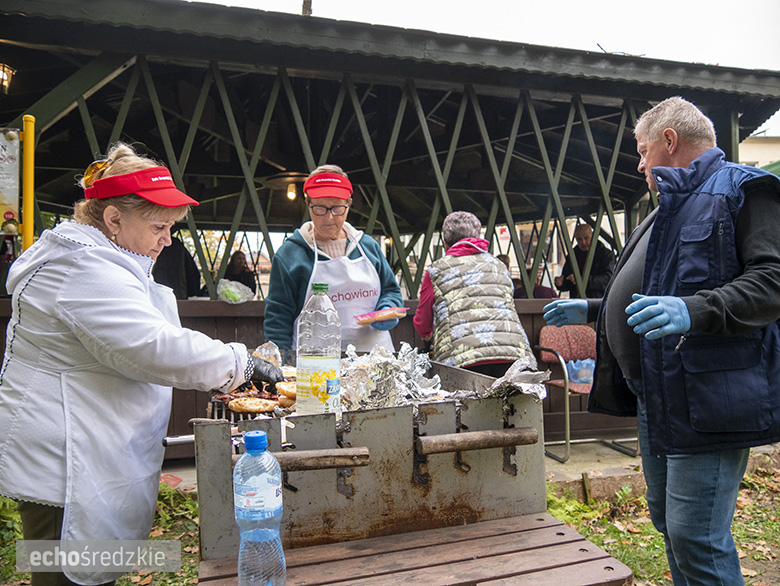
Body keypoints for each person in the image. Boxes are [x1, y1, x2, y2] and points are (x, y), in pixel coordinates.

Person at [0, 143, 283, 586]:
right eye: (158, 226)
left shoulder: (102, 258)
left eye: (171, 227)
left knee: (92, 570)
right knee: (63, 572)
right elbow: (152, 346)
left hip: (88, 444)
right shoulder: (82, 267)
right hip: (67, 463)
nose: (167, 240)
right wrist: (238, 362)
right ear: (114, 218)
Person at [543, 96, 780, 586]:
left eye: (642, 150)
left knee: (696, 536)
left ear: (669, 140)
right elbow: (657, 290)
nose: (639, 164)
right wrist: (593, 308)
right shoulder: (665, 211)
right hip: (658, 394)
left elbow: (772, 281)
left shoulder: (744, 189)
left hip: (708, 398)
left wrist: (694, 311)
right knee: (668, 523)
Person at [264, 164, 403, 353]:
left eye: (337, 208)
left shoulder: (368, 247)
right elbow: (278, 318)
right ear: (308, 204)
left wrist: (388, 308)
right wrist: (280, 361)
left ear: (349, 204)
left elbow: (391, 291)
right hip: (315, 360)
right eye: (319, 208)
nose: (329, 217)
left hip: (376, 356)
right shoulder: (289, 256)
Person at [413, 211, 535, 377]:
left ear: (445, 243)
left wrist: (427, 338)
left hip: (461, 360)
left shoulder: (436, 270)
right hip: (515, 356)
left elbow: (422, 322)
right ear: (477, 237)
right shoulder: (499, 266)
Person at [553, 223, 614, 298]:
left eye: (586, 238)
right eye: (579, 239)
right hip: (577, 301)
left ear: (592, 236)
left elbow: (608, 279)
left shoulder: (605, 254)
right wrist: (560, 284)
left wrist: (582, 280)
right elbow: (567, 279)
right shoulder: (573, 254)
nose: (583, 242)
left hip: (597, 301)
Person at [152, 234, 201, 299]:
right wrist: (193, 292)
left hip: (155, 294)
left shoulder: (153, 245)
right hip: (179, 294)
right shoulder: (177, 245)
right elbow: (193, 273)